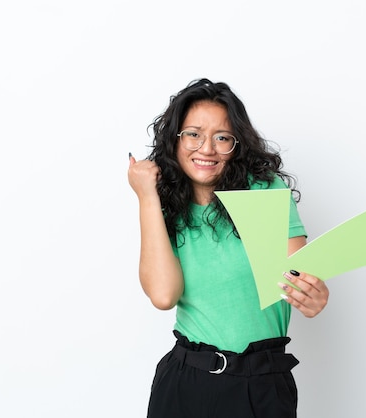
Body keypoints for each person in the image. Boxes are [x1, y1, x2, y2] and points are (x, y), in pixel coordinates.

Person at [128, 78, 329, 418]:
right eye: (193, 134)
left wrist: (315, 296)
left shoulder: (263, 191)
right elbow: (163, 296)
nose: (206, 148)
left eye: (221, 137)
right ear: (175, 140)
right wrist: (147, 196)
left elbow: (299, 277)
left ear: (236, 145)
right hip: (185, 383)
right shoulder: (165, 206)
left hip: (262, 386)